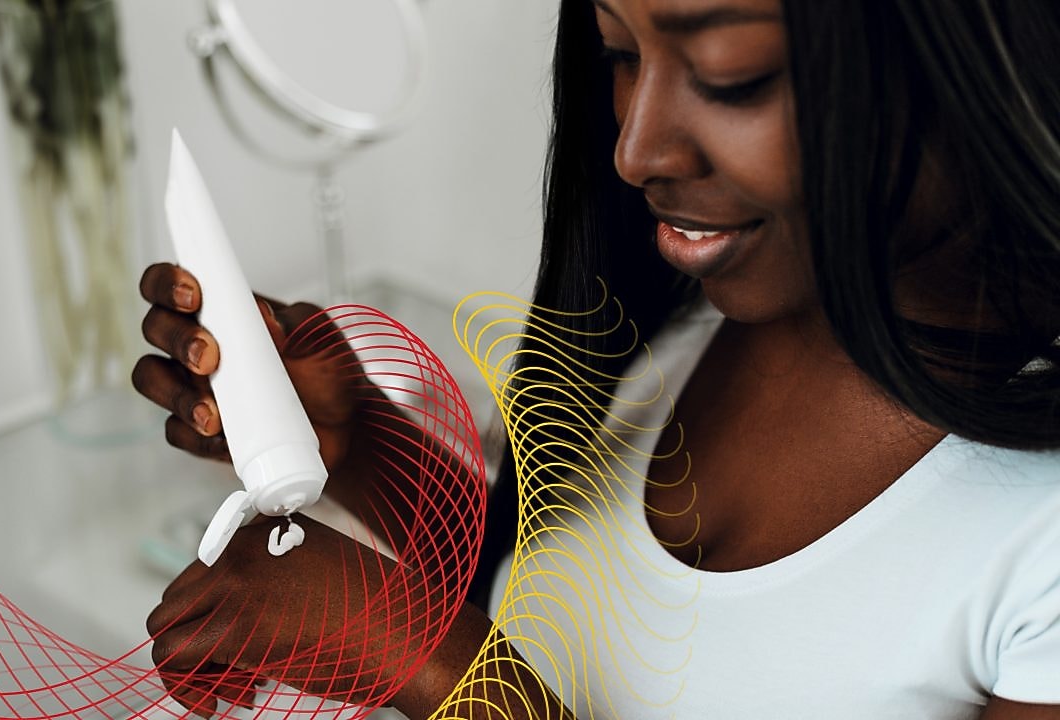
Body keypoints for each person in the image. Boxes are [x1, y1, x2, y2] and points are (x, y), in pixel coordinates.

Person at [132, 0, 1060, 717]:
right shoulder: (679, 320)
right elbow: (557, 625)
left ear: (969, 56)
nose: (634, 146)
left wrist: (414, 652)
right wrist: (363, 447)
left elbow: (479, 661)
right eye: (620, 55)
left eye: (730, 74)